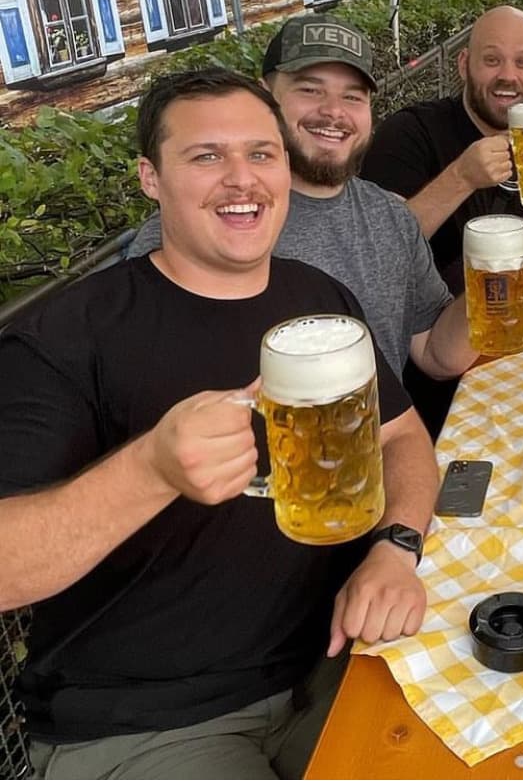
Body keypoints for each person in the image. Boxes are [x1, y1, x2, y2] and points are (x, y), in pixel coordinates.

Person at [0, 69, 440, 779]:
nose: (243, 179)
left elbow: (401, 436)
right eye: (207, 156)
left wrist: (395, 546)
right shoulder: (68, 333)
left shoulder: (319, 299)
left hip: (333, 657)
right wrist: (151, 469)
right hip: (149, 723)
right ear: (151, 177)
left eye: (261, 154)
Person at [128, 16, 477, 439]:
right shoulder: (201, 230)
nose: (334, 112)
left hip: (373, 468)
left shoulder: (390, 217)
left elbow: (436, 354)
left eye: (353, 96)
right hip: (265, 488)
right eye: (310, 90)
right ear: (264, 98)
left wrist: (496, 286)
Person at [362, 4, 523, 429]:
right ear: (465, 65)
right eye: (492, 60)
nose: (508, 75)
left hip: (506, 349)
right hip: (425, 372)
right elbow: (377, 253)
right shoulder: (409, 135)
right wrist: (462, 177)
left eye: (522, 62)